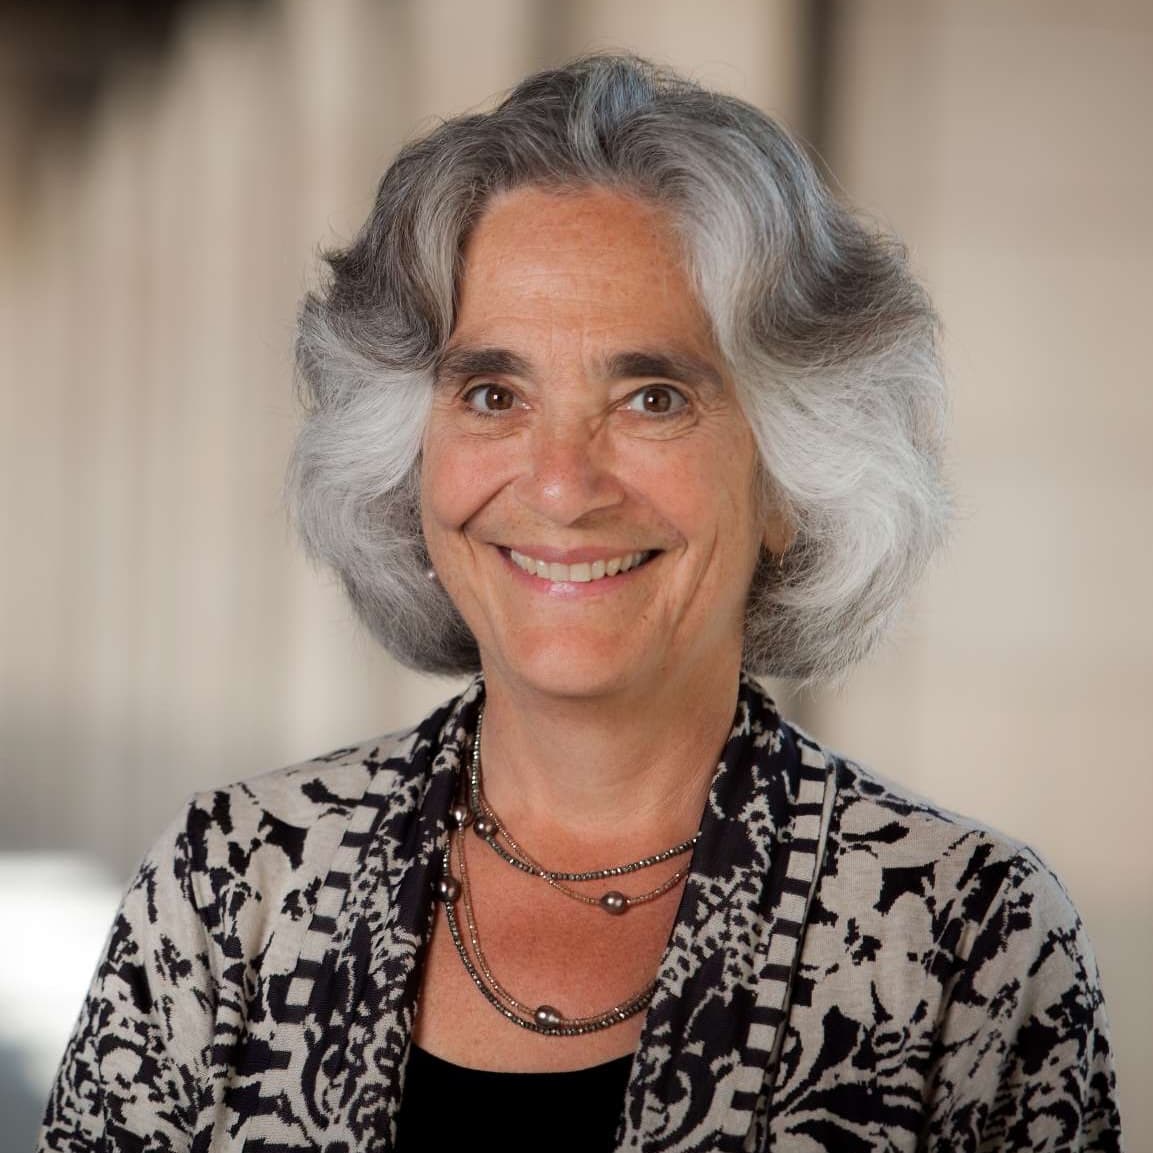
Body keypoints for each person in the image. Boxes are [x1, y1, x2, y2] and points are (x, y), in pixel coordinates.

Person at [39, 54, 1121, 1152]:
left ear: (792, 478)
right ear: (410, 460)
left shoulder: (967, 939)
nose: (559, 483)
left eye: (652, 397)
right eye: (493, 395)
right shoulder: (229, 884)